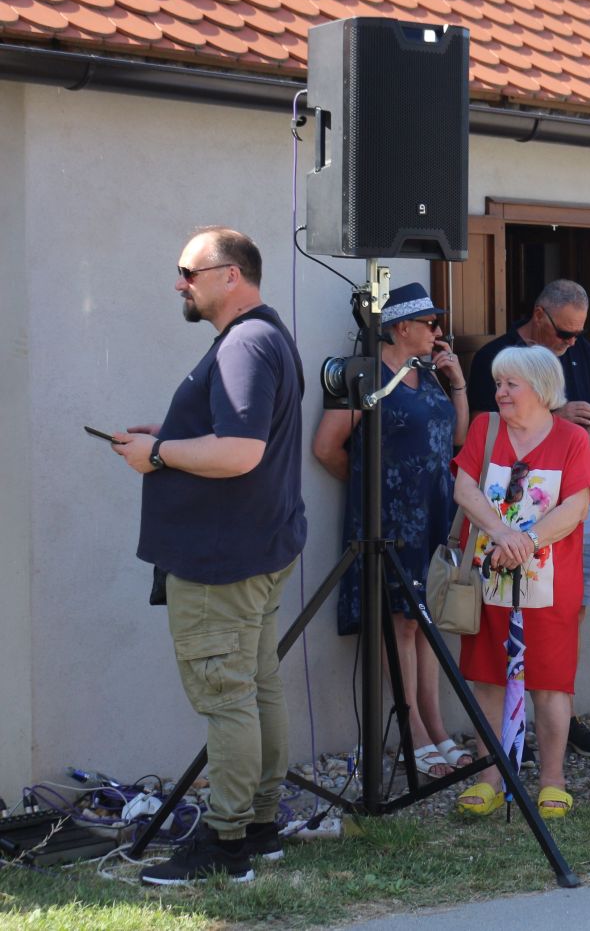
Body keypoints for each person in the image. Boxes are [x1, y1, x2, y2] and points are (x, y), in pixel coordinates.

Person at [113, 228, 306, 884]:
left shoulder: (246, 343)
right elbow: (234, 436)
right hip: (256, 547)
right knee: (255, 685)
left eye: (189, 272)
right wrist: (172, 436)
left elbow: (240, 452)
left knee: (227, 697)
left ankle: (226, 844)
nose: (179, 283)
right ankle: (259, 826)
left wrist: (159, 453)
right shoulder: (264, 335)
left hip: (222, 559)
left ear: (231, 275)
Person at [311, 283, 470, 779]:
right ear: (401, 328)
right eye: (430, 323)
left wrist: (457, 383)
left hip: (434, 513)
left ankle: (436, 726)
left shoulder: (428, 373)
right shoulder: (367, 376)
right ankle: (413, 732)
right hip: (392, 519)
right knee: (399, 621)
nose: (438, 331)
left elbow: (457, 439)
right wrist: (373, 490)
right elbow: (326, 447)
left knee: (426, 619)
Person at [466, 279, 590, 757]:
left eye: (578, 333)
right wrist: (503, 534)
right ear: (539, 315)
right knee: (492, 656)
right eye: (565, 332)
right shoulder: (495, 364)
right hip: (496, 549)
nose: (572, 342)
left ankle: (555, 726)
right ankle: (507, 746)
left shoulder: (577, 354)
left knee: (564, 625)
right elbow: (469, 468)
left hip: (561, 532)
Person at [450, 346, 590, 819]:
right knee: (489, 676)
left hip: (551, 582)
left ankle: (552, 781)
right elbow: (464, 488)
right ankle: (489, 778)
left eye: (511, 384)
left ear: (541, 388)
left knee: (551, 682)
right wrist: (501, 534)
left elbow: (576, 506)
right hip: (489, 575)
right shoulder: (485, 428)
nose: (501, 392)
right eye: (499, 383)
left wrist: (527, 541)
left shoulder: (572, 438)